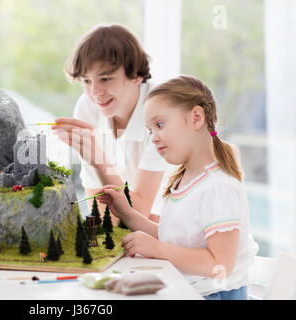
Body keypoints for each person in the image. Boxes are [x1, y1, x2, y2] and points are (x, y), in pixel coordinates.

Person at [96, 76, 259, 299]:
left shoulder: (218, 188)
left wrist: (157, 249)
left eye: (159, 125)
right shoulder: (186, 181)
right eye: (150, 130)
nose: (153, 138)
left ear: (196, 117)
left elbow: (220, 265)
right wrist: (126, 212)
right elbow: (172, 237)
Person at [52, 24, 171, 222]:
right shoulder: (87, 108)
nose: (95, 92)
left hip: (178, 234)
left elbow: (138, 212)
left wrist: (98, 159)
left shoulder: (161, 112)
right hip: (141, 233)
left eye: (105, 79)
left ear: (136, 76)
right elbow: (100, 213)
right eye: (86, 81)